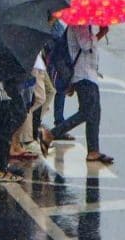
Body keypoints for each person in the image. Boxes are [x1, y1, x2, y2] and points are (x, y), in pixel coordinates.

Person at [39, 25, 112, 165]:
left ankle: (93, 150)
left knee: (95, 112)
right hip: (82, 75)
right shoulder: (79, 23)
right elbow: (86, 46)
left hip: (90, 74)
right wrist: (102, 32)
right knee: (86, 112)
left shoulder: (87, 24)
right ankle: (51, 134)